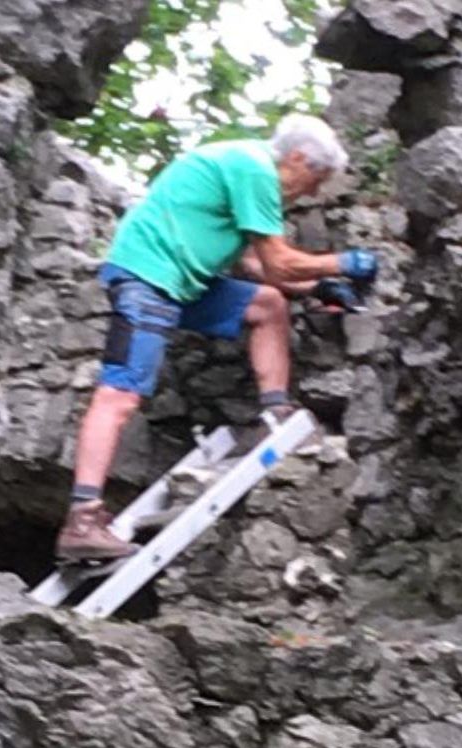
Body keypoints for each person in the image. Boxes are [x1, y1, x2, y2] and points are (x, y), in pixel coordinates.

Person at [55, 114, 379, 561]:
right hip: (148, 278)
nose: (314, 193)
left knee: (268, 305)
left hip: (181, 284)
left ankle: (275, 414)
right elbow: (281, 261)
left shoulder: (245, 172)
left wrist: (318, 288)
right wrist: (345, 263)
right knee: (120, 395)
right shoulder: (254, 168)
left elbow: (256, 266)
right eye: (315, 179)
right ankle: (83, 520)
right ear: (298, 158)